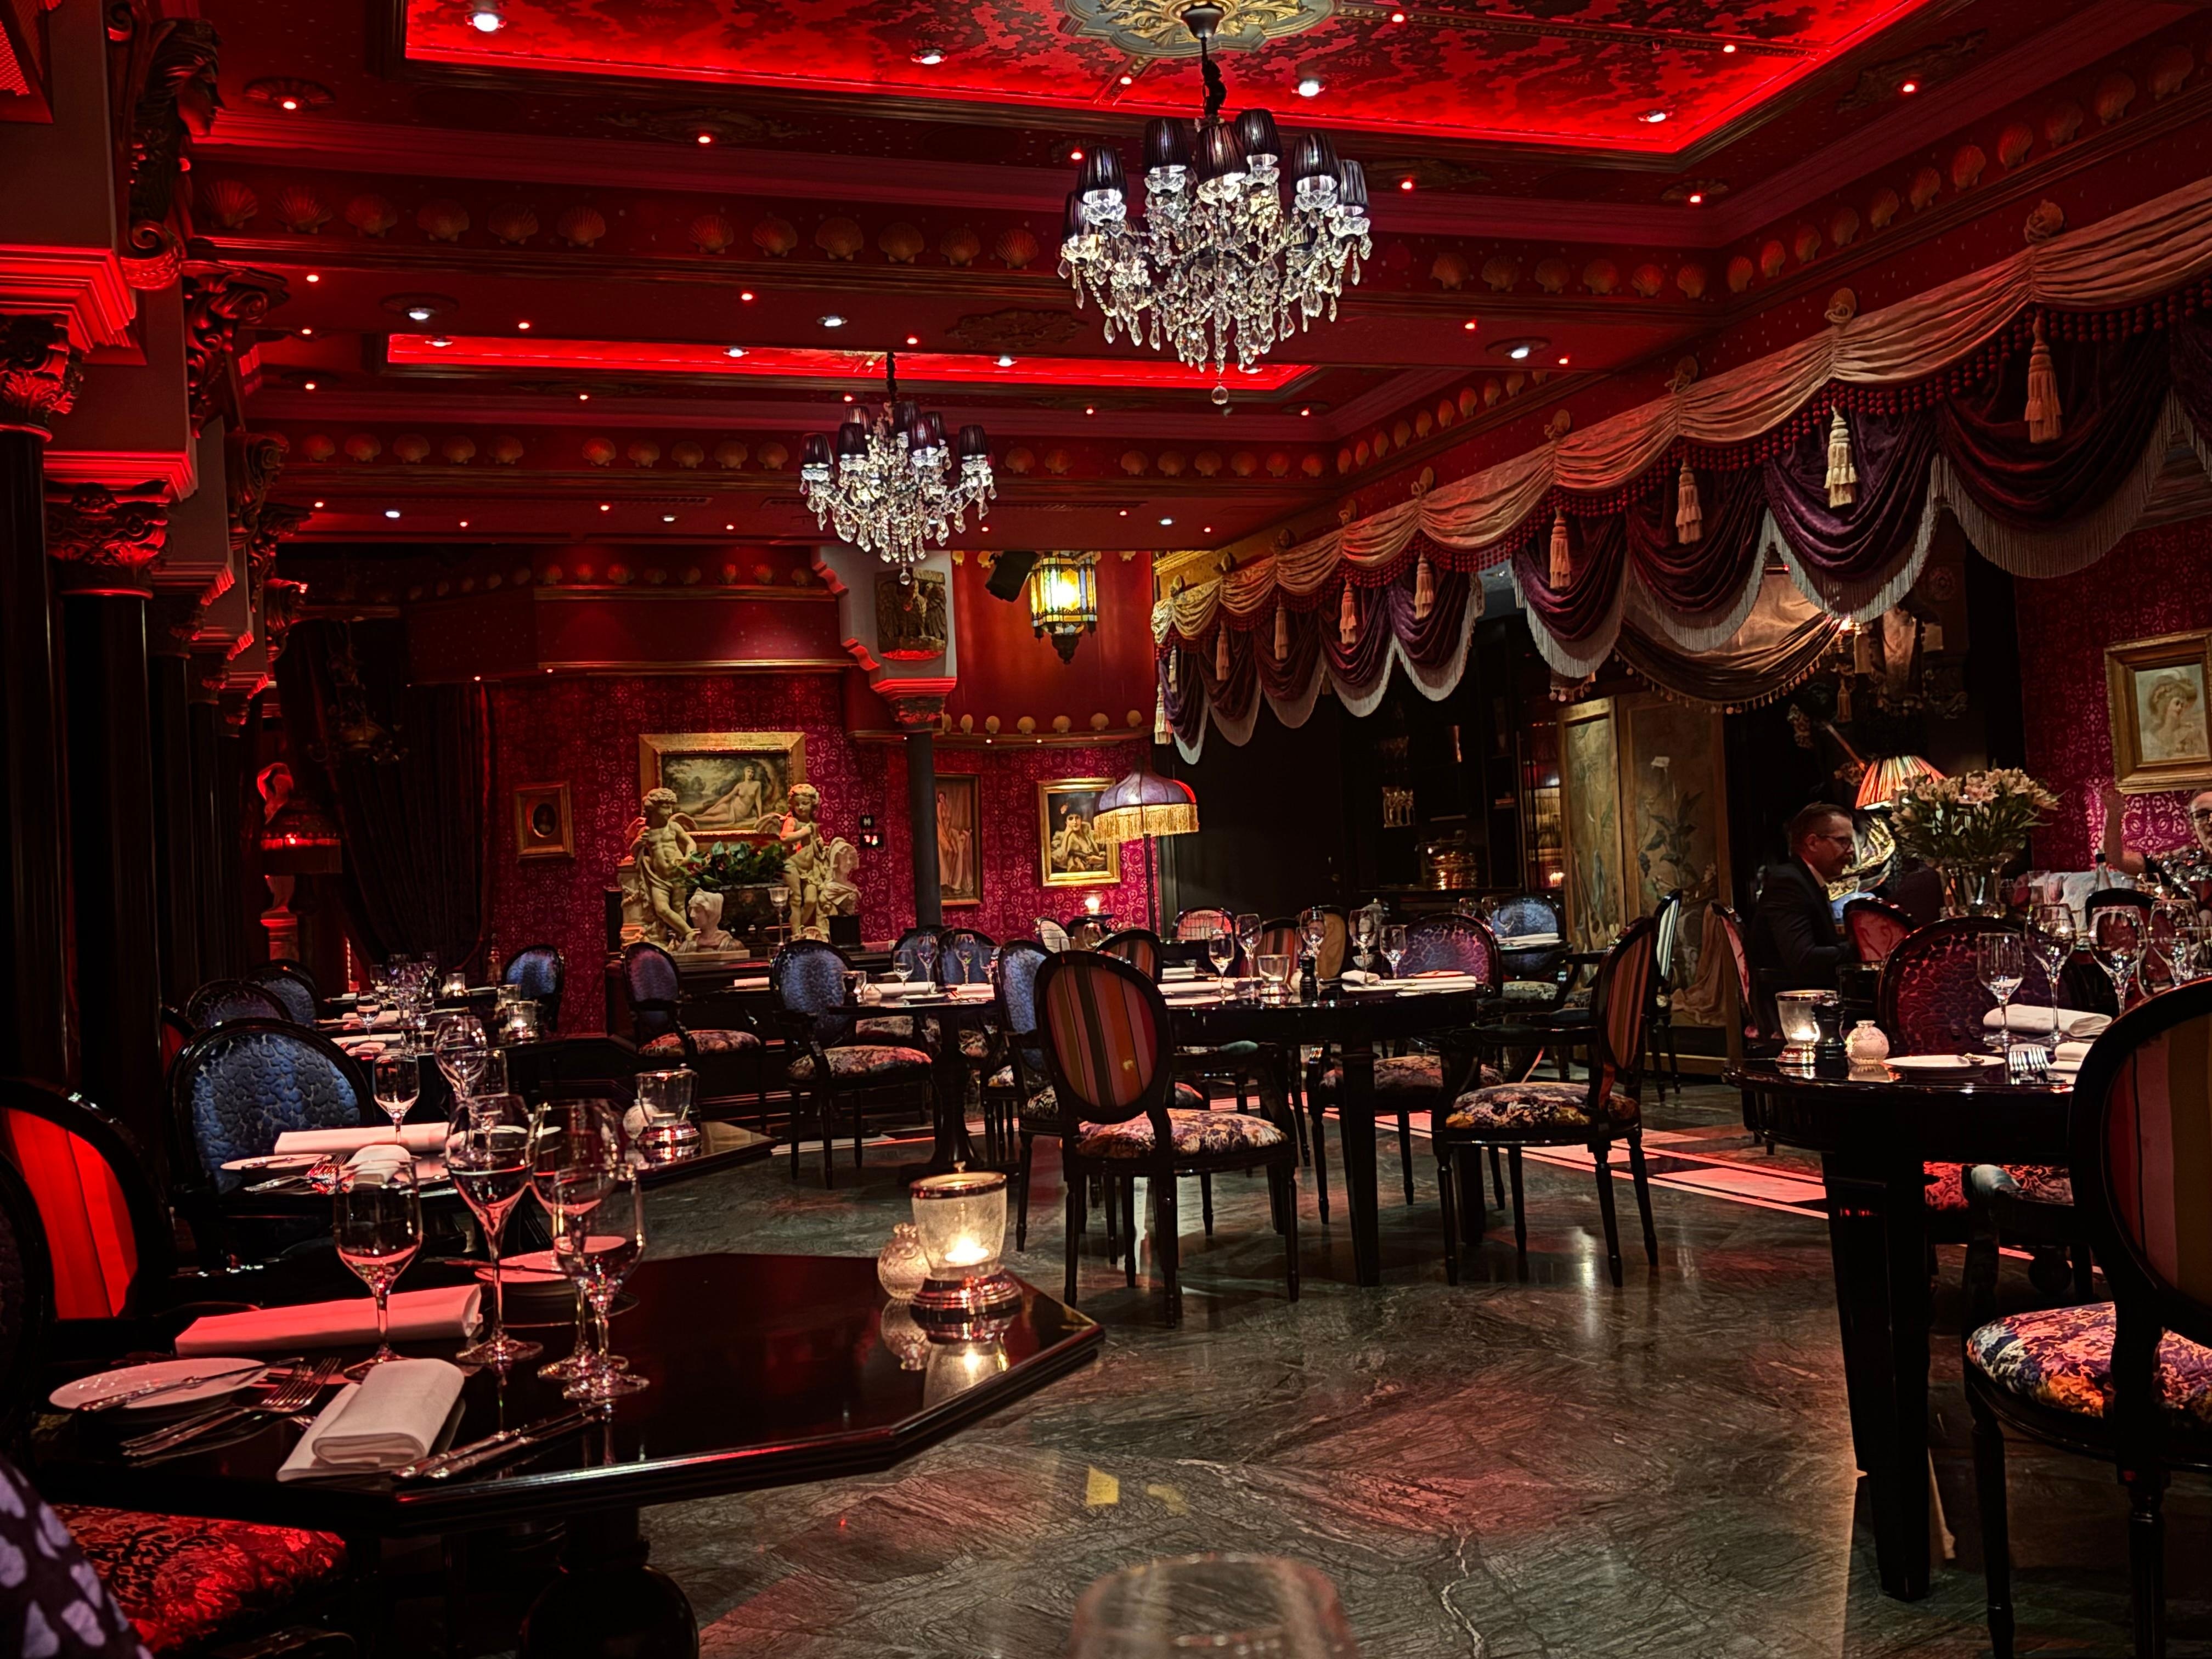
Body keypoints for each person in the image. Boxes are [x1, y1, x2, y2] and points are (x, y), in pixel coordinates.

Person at [1747, 801, 1859, 1029]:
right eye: (1843, 841)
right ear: (1812, 842)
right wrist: (1858, 949)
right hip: (1795, 1010)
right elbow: (1803, 958)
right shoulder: (1789, 882)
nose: (1851, 851)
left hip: (1811, 999)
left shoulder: (1802, 879)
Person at [2100, 783, 2212, 899]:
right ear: (2192, 825)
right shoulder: (2178, 865)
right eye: (2201, 815)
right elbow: (2117, 859)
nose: (2211, 821)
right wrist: (2114, 815)